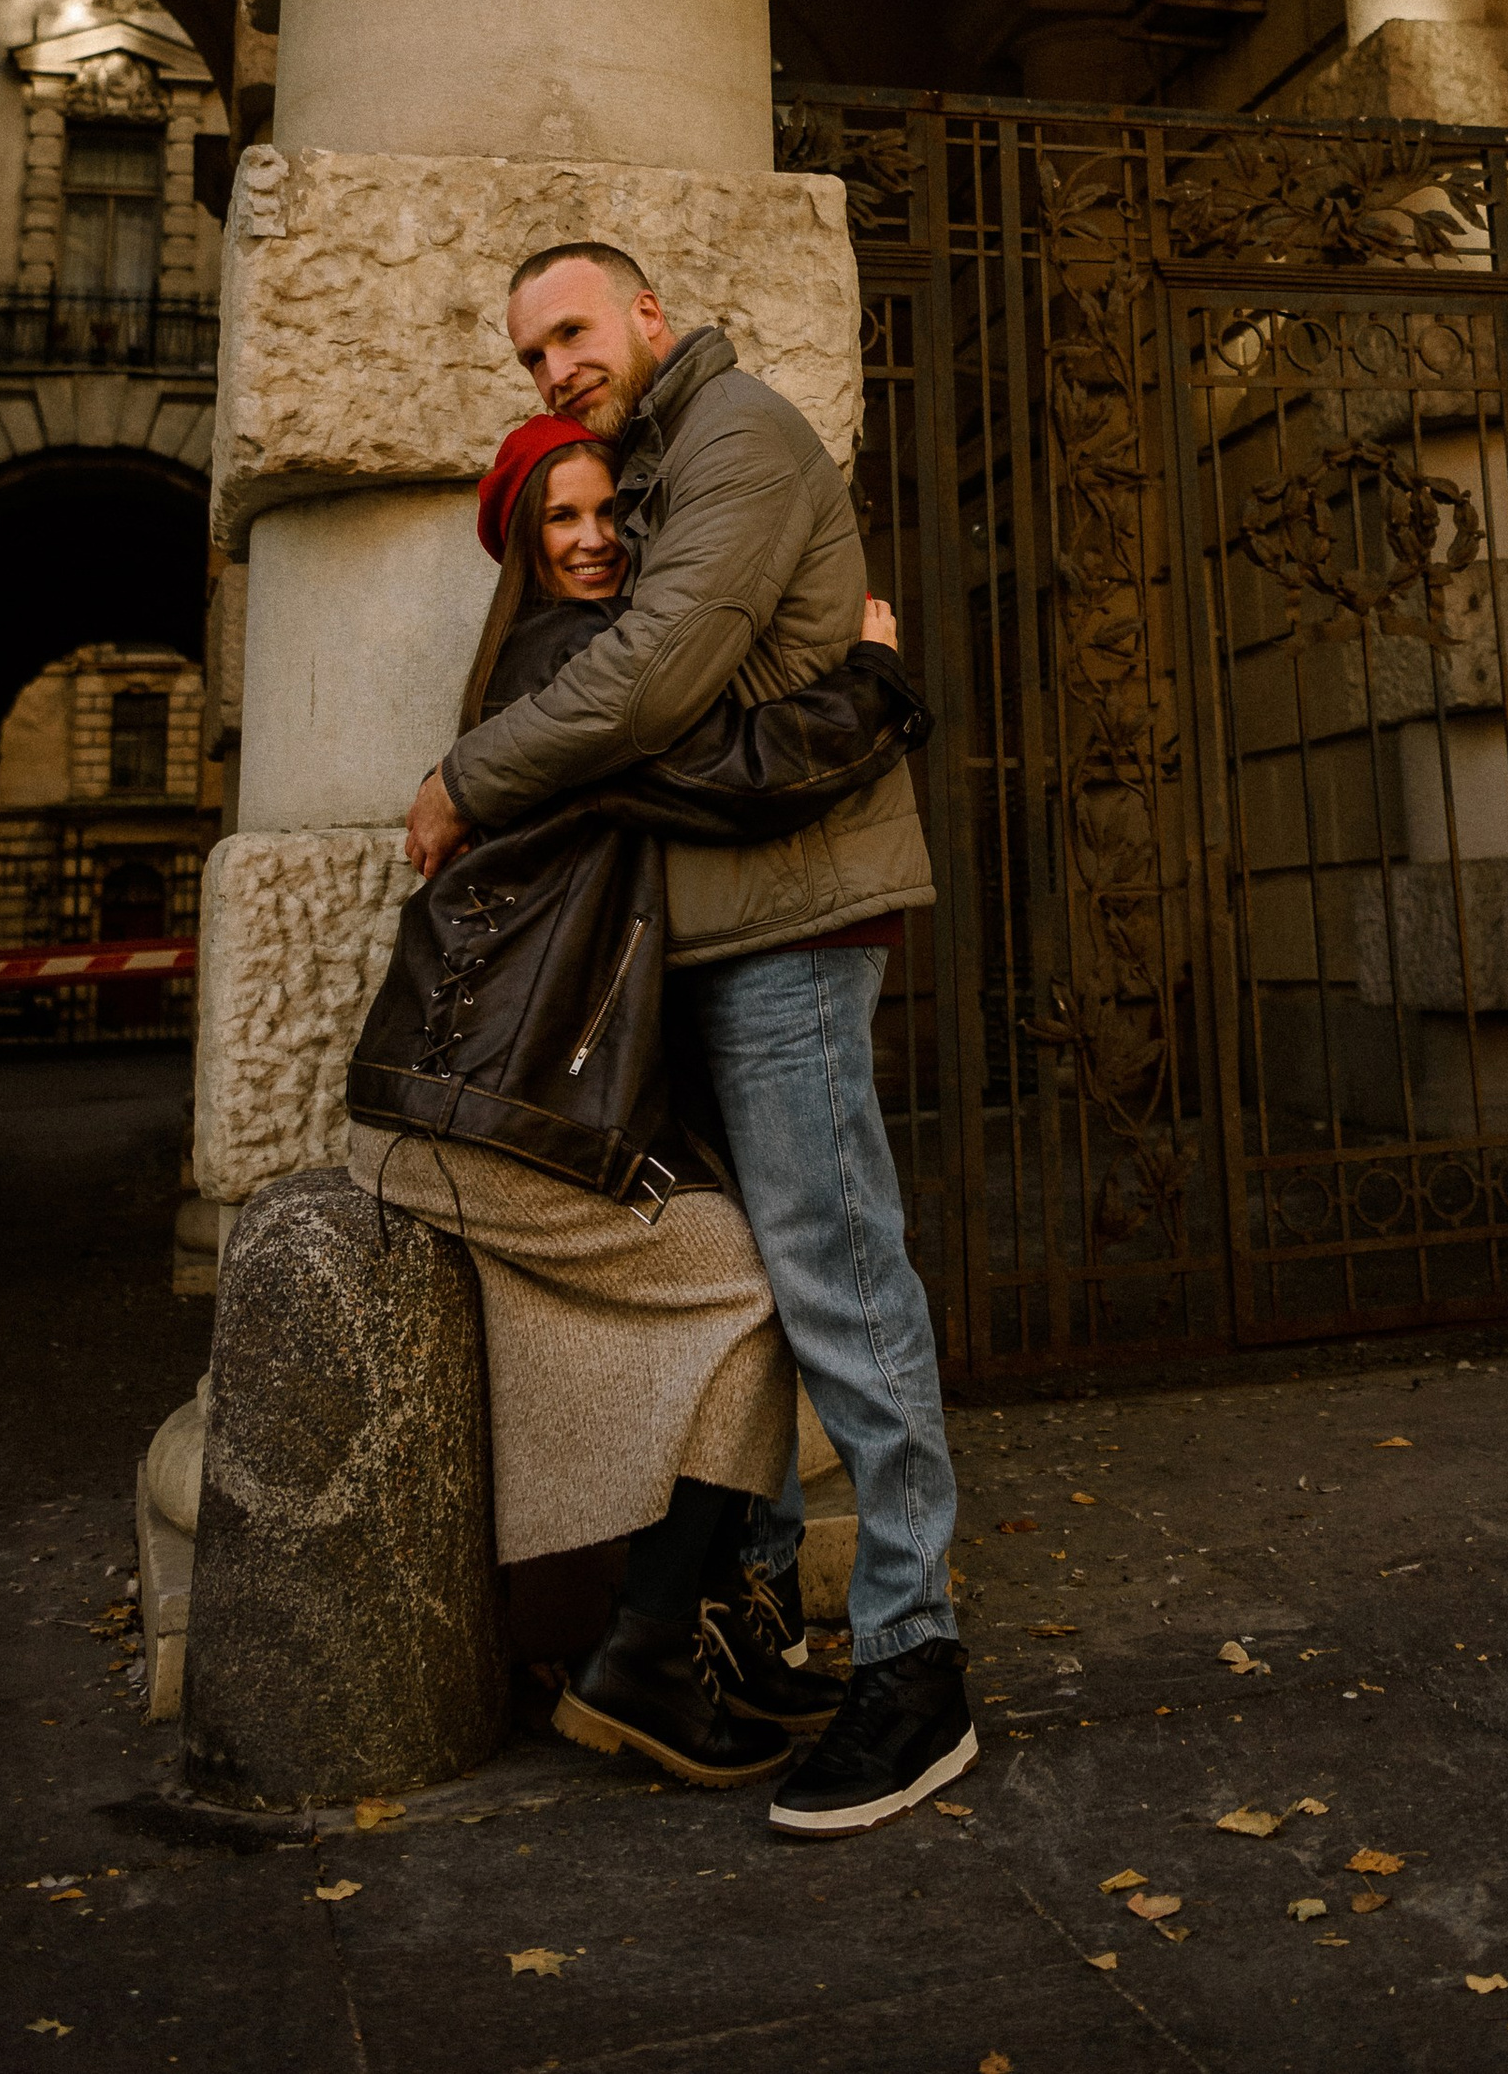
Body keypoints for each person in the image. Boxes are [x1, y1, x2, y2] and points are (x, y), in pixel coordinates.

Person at [406, 243, 974, 1837]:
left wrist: (467, 776)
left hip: (789, 926)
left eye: (571, 332)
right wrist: (864, 679)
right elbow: (668, 704)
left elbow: (653, 690)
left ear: (648, 314)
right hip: (721, 933)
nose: (555, 368)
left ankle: (916, 1664)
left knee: (841, 1279)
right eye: (531, 356)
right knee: (774, 1289)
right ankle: (758, 1617)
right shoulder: (652, 468)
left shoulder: (734, 439)